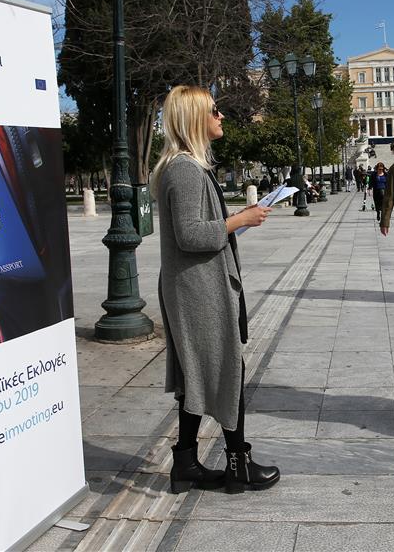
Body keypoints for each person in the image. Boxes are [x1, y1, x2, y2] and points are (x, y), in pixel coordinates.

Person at [149, 85, 280, 494]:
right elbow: (190, 235)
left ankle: (185, 463)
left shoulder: (186, 167)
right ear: (194, 119)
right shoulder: (185, 169)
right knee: (226, 370)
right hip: (198, 290)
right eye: (214, 111)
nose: (221, 117)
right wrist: (240, 220)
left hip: (197, 285)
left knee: (201, 374)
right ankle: (237, 464)